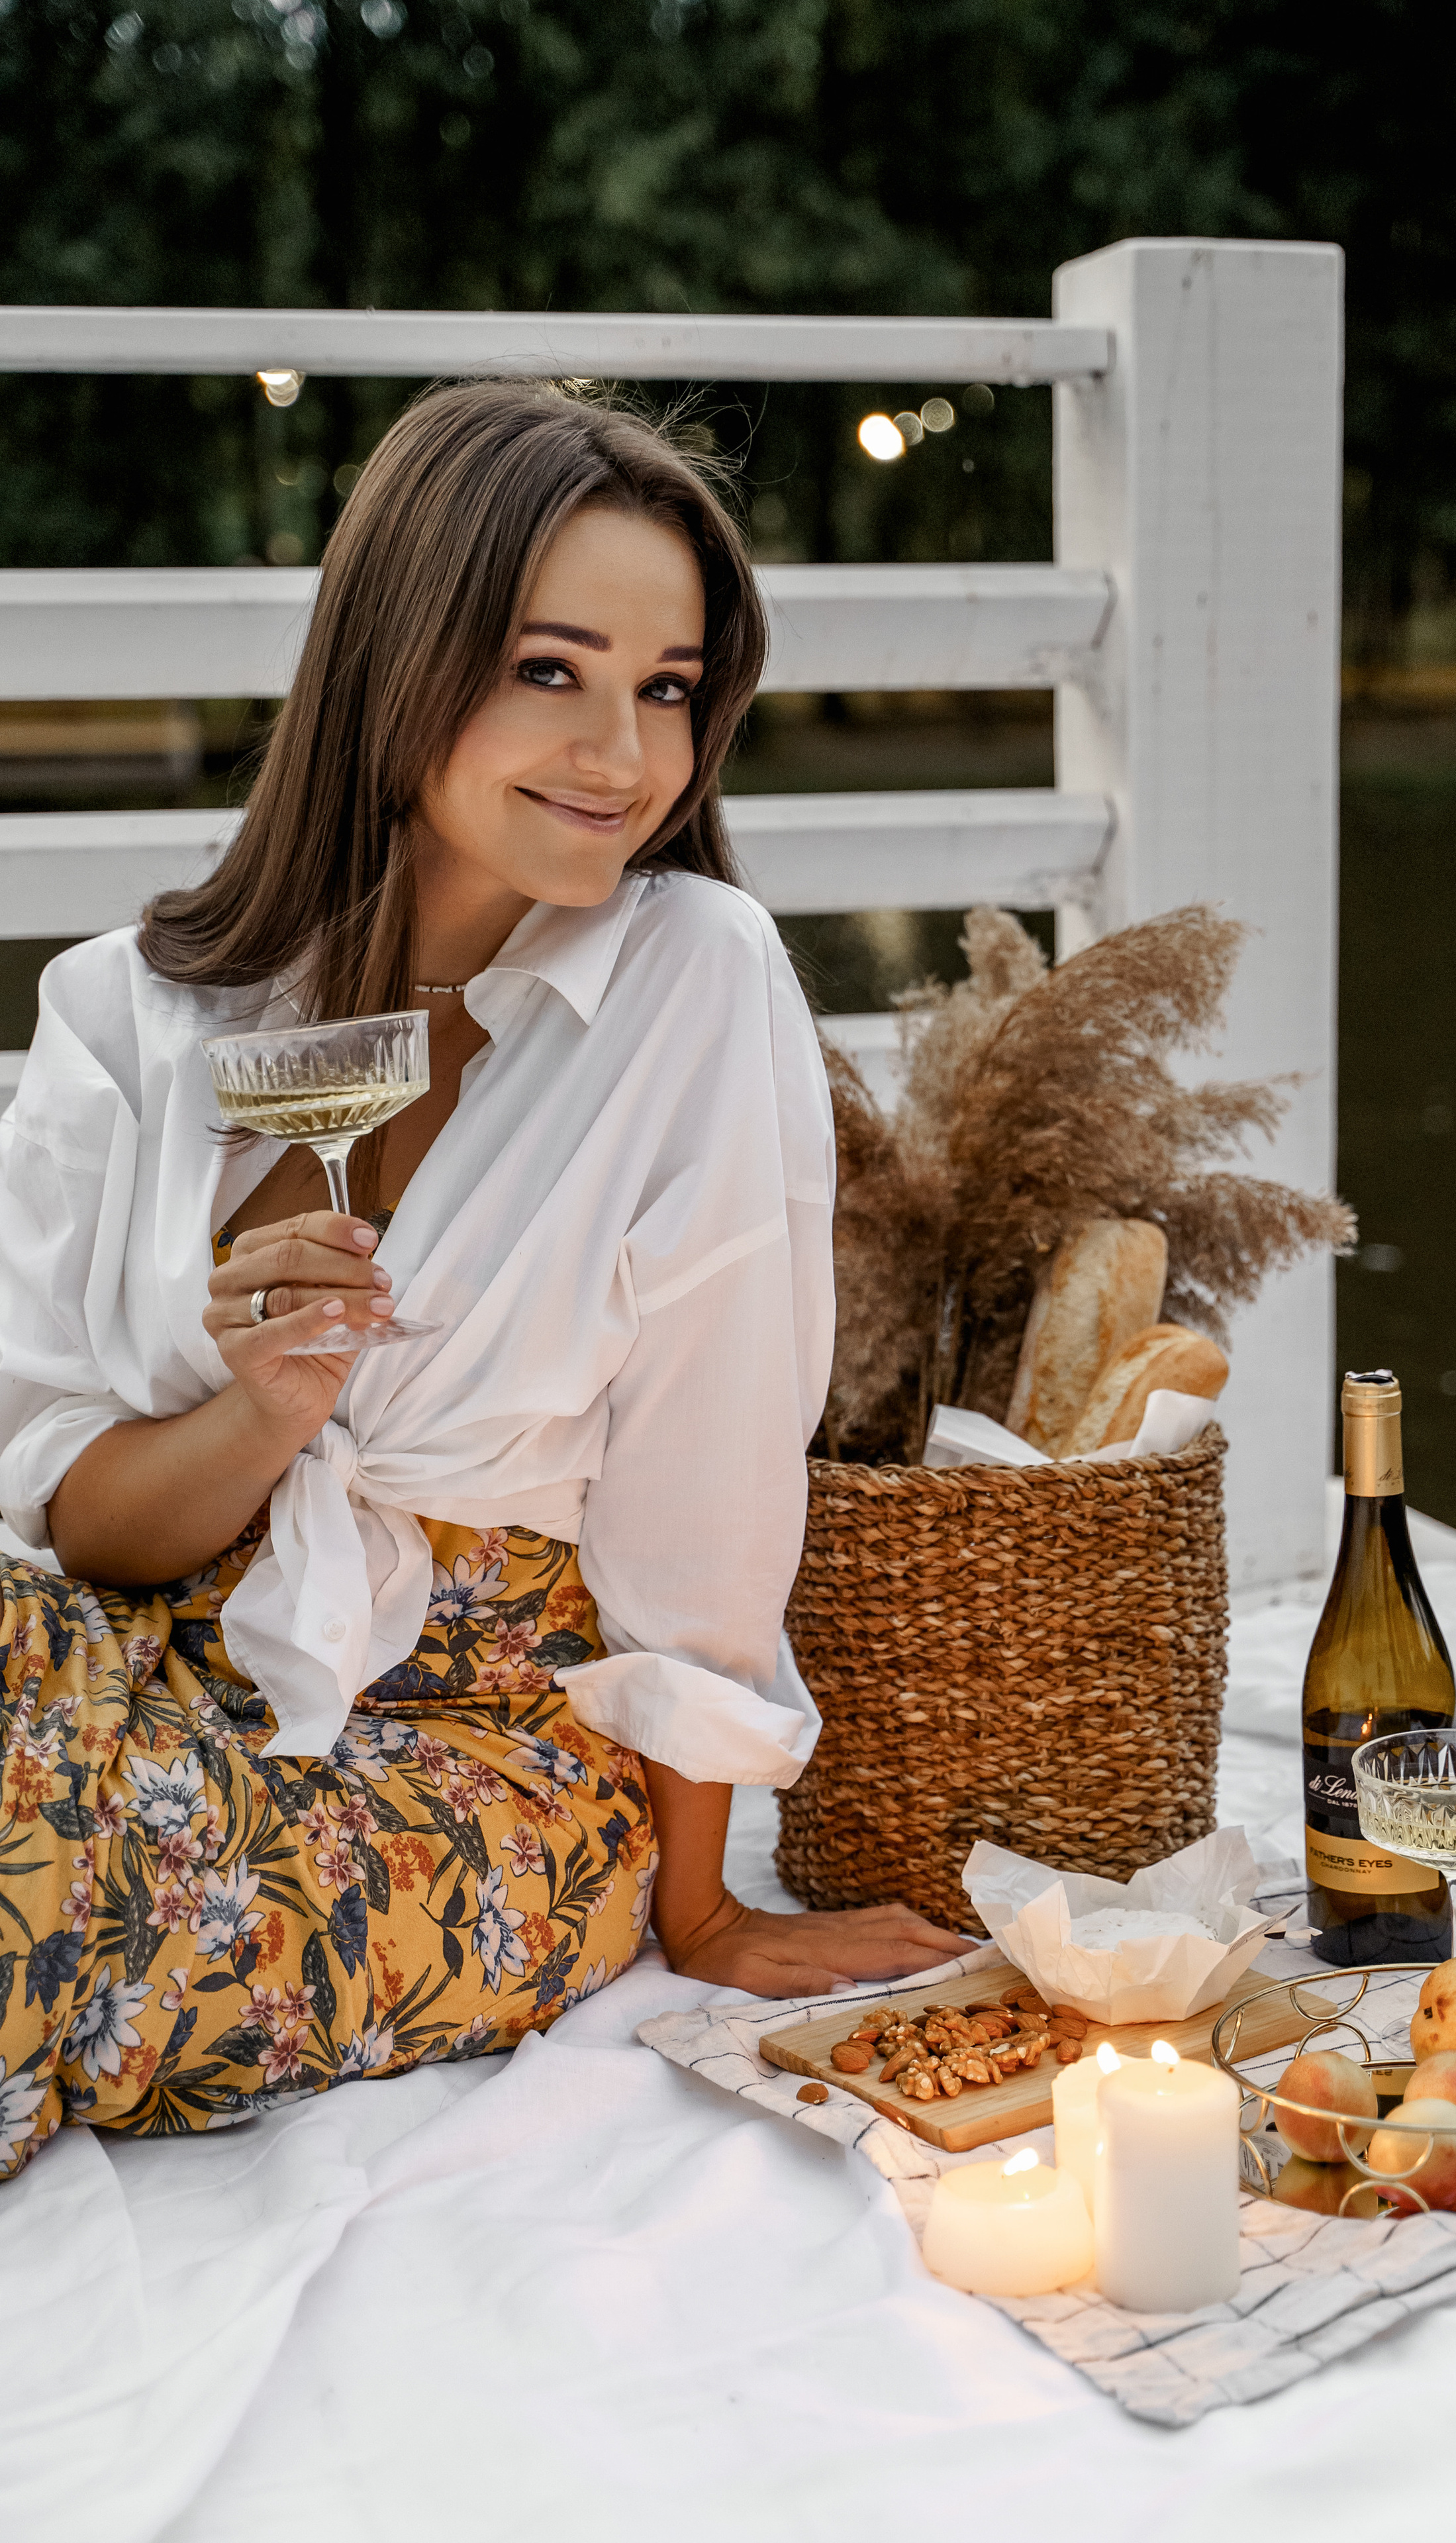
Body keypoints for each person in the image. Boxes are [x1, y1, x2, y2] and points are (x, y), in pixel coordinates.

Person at [0, 381, 957, 2179]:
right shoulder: (130, 1016)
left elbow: (707, 1499)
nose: (624, 754)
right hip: (140, 1658)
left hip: (491, 1757)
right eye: (550, 668)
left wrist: (706, 1909)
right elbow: (81, 1522)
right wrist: (264, 1409)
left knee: (68, 1895)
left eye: (668, 688)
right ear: (400, 656)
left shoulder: (694, 981)